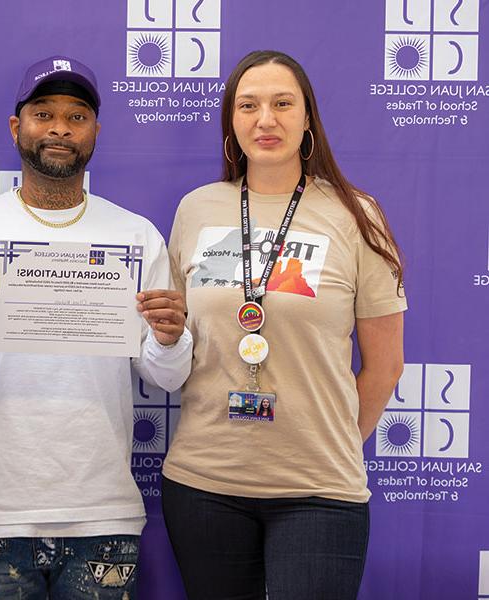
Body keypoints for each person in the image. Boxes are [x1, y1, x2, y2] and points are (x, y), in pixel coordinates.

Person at [0, 55, 193, 599]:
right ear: (18, 127)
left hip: (102, 511)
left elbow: (165, 378)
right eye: (44, 113)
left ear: (95, 133)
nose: (60, 128)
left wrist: (170, 337)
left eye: (77, 116)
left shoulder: (136, 236)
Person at [162, 50, 406, 600]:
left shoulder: (357, 215)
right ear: (231, 120)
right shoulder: (196, 210)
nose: (265, 120)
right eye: (248, 105)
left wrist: (328, 439)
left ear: (307, 119)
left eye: (282, 104)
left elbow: (386, 364)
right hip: (204, 483)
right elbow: (173, 344)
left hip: (318, 489)